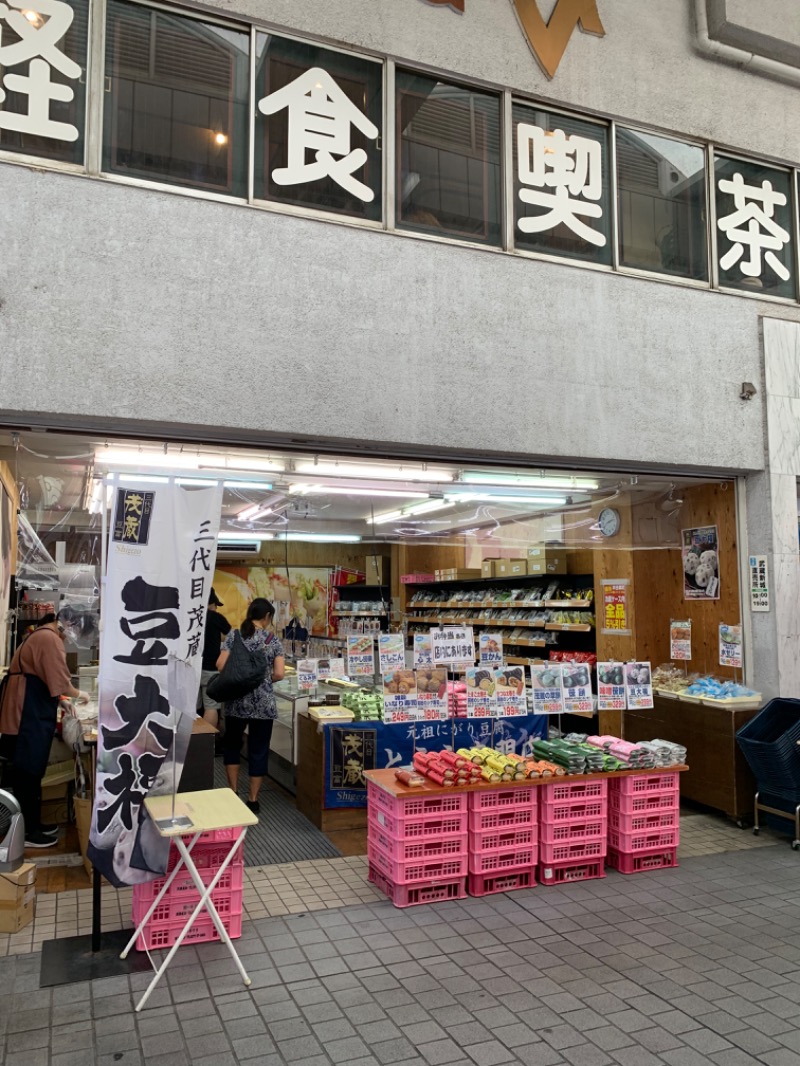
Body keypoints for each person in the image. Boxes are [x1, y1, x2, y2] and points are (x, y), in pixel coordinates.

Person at [0, 613, 89, 847]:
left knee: (32, 770)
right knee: (27, 772)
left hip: (30, 707)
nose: (72, 639)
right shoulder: (49, 639)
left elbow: (46, 678)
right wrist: (79, 694)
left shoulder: (43, 635)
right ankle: (26, 833)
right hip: (25, 713)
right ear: (69, 623)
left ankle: (33, 825)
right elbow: (59, 679)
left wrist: (60, 699)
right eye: (76, 632)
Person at [217, 598, 284, 815]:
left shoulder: (234, 636)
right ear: (266, 617)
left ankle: (232, 791)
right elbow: (280, 673)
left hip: (237, 701)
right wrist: (264, 680)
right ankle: (253, 800)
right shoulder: (273, 640)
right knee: (259, 750)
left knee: (233, 746)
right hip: (263, 704)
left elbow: (220, 666)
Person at [198, 587, 231, 730]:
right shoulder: (216, 618)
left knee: (190, 709)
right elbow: (232, 637)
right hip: (210, 668)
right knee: (211, 707)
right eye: (216, 604)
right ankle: (206, 745)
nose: (216, 608)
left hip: (189, 668)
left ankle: (191, 743)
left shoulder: (190, 616)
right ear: (211, 603)